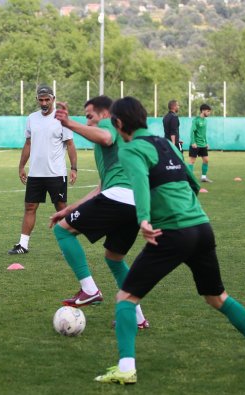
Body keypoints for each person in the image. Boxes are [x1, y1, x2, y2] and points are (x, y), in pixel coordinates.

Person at [94, 96, 245, 385]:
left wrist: (144, 218)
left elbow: (139, 186)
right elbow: (191, 179)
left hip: (172, 233)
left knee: (126, 298)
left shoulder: (130, 149)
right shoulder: (164, 143)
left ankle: (126, 368)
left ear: (118, 123)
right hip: (201, 227)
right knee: (217, 297)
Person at [50, 96, 148, 328]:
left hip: (118, 198)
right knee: (114, 259)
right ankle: (138, 318)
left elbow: (104, 137)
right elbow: (102, 187)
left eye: (90, 116)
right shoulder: (117, 146)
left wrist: (70, 123)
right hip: (133, 202)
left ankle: (89, 289)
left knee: (62, 232)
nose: (89, 122)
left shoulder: (108, 125)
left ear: (106, 115)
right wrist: (70, 209)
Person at [8, 86, 77, 255]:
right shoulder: (32, 118)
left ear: (53, 99)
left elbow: (70, 144)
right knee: (30, 207)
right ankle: (23, 245)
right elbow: (28, 143)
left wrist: (74, 168)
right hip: (35, 174)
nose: (44, 103)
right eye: (41, 99)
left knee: (61, 209)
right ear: (37, 99)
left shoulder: (61, 118)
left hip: (56, 174)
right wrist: (21, 166)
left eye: (47, 99)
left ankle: (70, 244)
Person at [188, 103, 212, 182]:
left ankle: (203, 177)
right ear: (203, 111)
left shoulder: (205, 121)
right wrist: (193, 142)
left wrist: (206, 143)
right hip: (195, 144)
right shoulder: (196, 120)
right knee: (192, 161)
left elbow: (204, 133)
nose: (209, 113)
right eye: (208, 111)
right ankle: (190, 178)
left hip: (203, 144)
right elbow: (192, 132)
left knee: (206, 160)